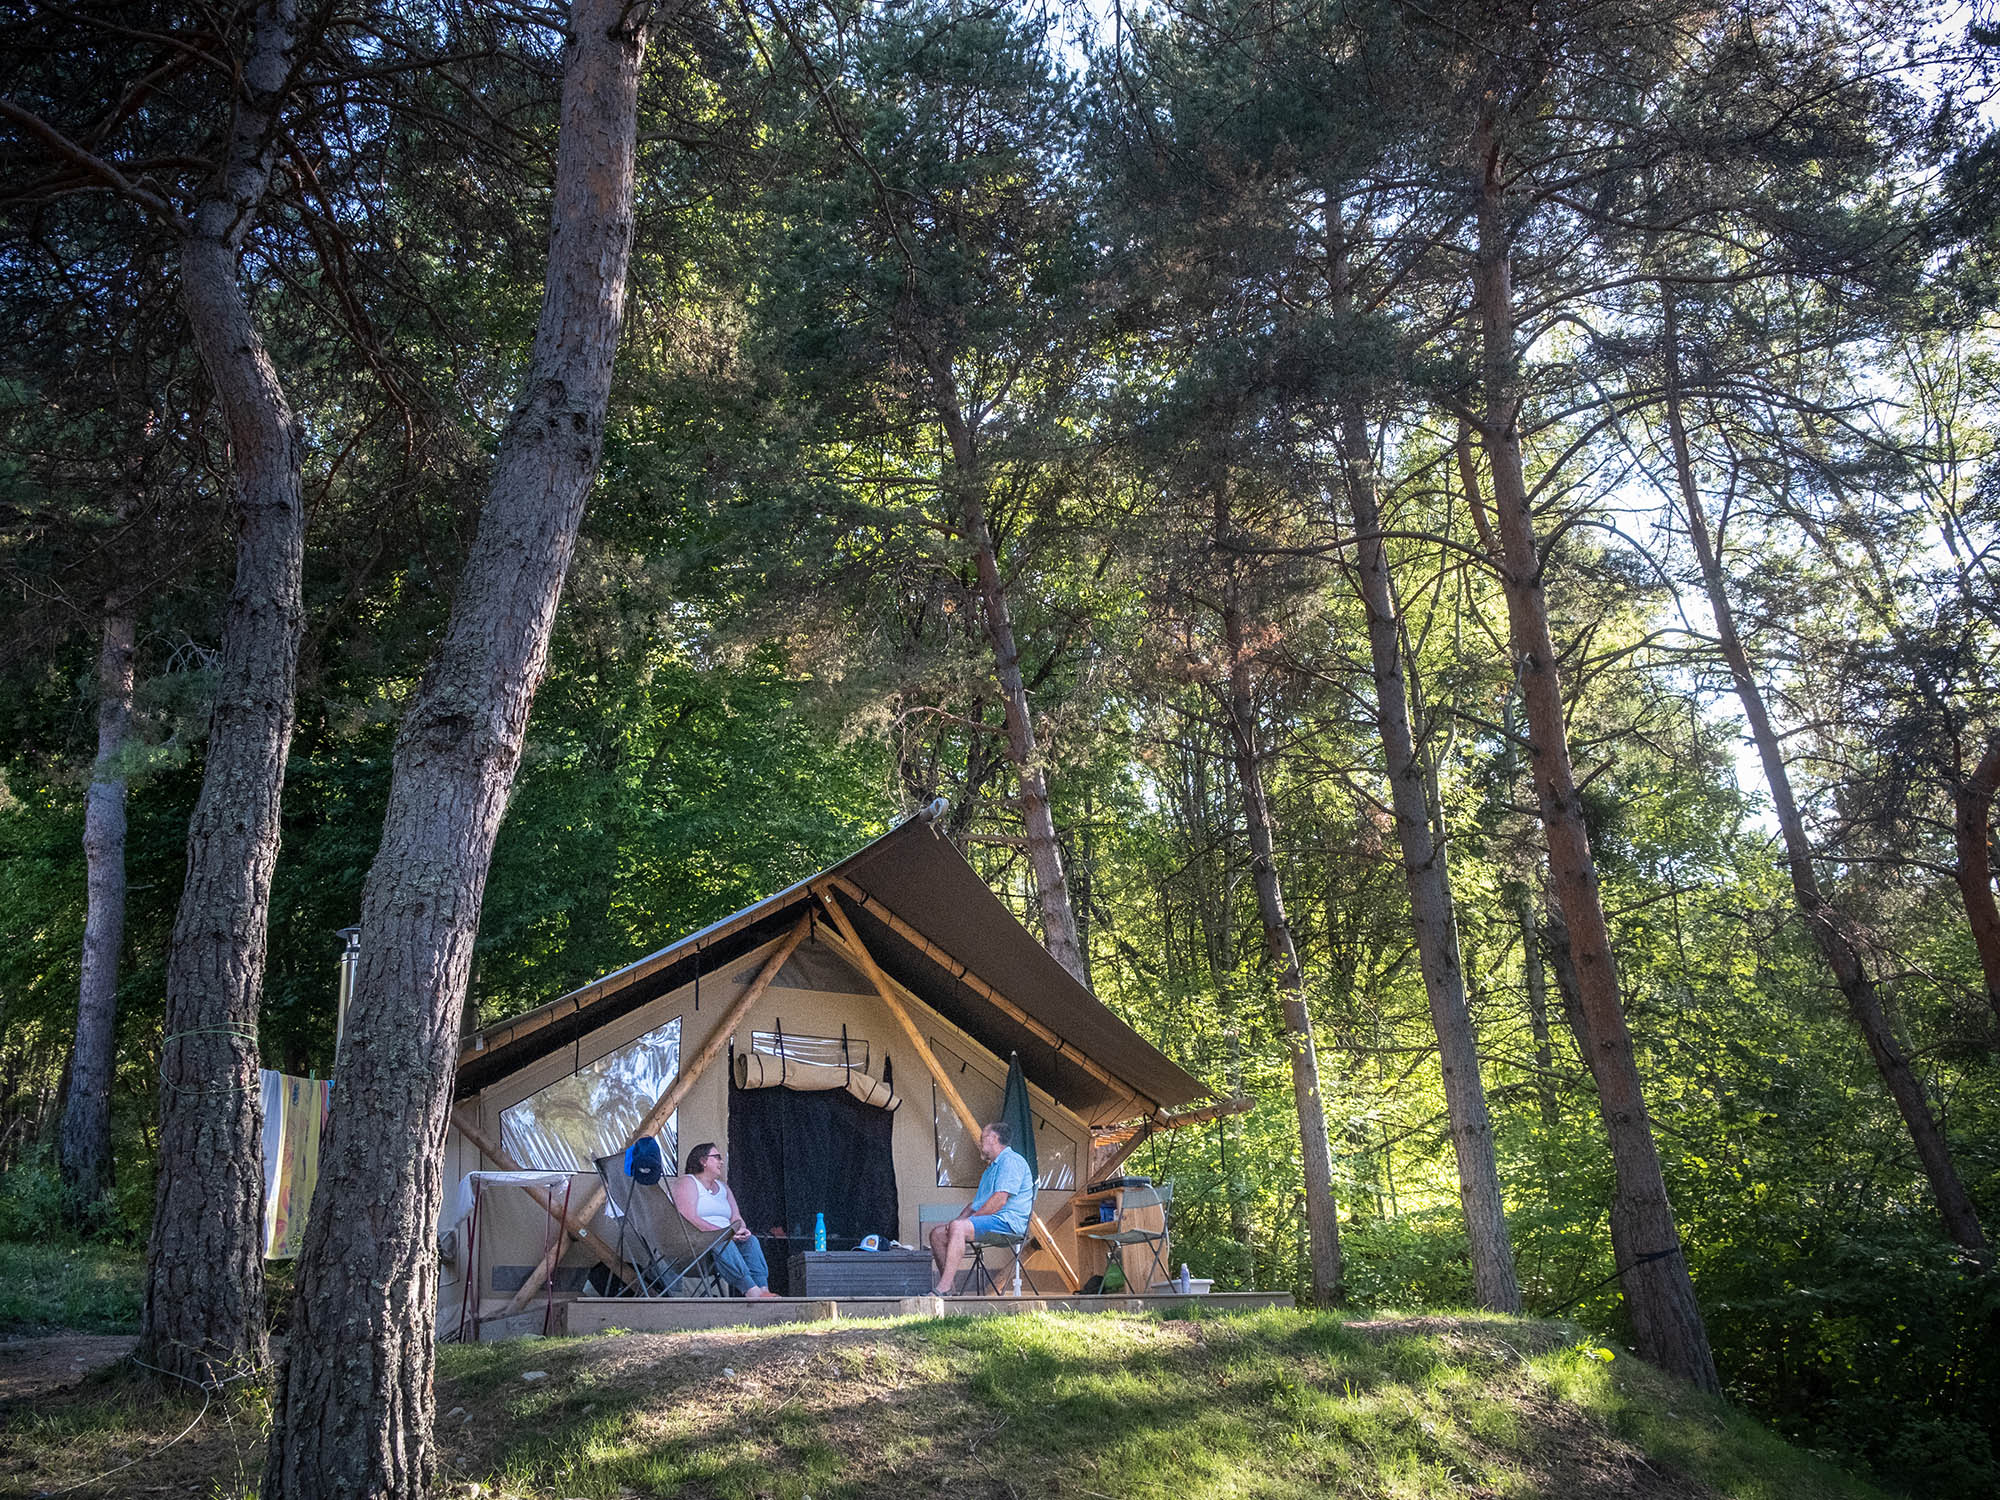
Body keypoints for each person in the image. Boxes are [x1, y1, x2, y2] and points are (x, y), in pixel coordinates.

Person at [929, 1120, 1034, 1295]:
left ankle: (942, 1287)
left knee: (958, 1227)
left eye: (982, 1137)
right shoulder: (990, 1169)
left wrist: (964, 1223)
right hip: (992, 1222)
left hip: (1008, 1224)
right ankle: (950, 1292)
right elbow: (974, 1205)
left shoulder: (1011, 1161)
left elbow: (999, 1200)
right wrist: (957, 1222)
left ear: (994, 1138)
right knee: (938, 1234)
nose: (980, 1142)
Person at [670, 1142, 777, 1299]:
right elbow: (687, 1217)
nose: (721, 1161)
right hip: (693, 1249)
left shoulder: (724, 1188)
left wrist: (741, 1230)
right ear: (703, 1161)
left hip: (725, 1243)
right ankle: (751, 1290)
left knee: (751, 1241)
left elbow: (736, 1217)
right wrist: (723, 1233)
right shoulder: (688, 1182)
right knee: (720, 1239)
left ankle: (762, 1289)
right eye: (717, 1157)